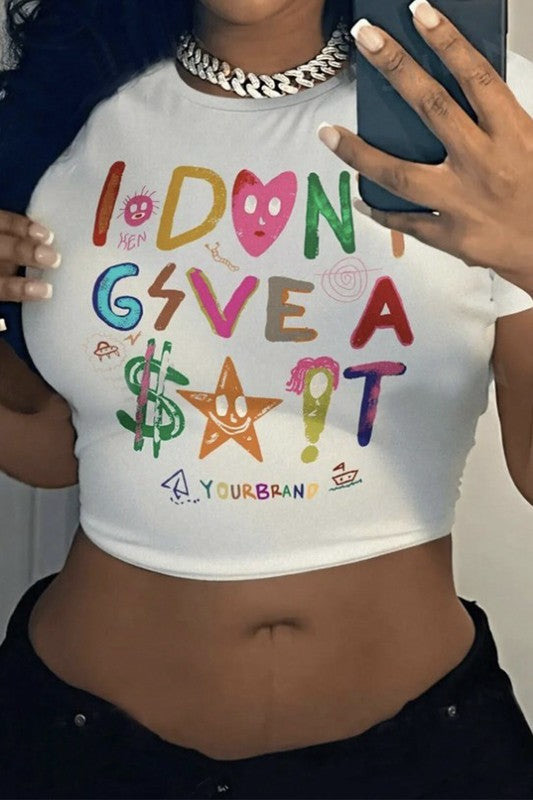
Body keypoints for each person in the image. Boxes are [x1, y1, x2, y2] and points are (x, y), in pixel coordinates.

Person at [0, 0, 533, 797]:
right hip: (80, 747)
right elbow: (58, 447)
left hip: (422, 758)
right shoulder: (58, 114)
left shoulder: (481, 110)